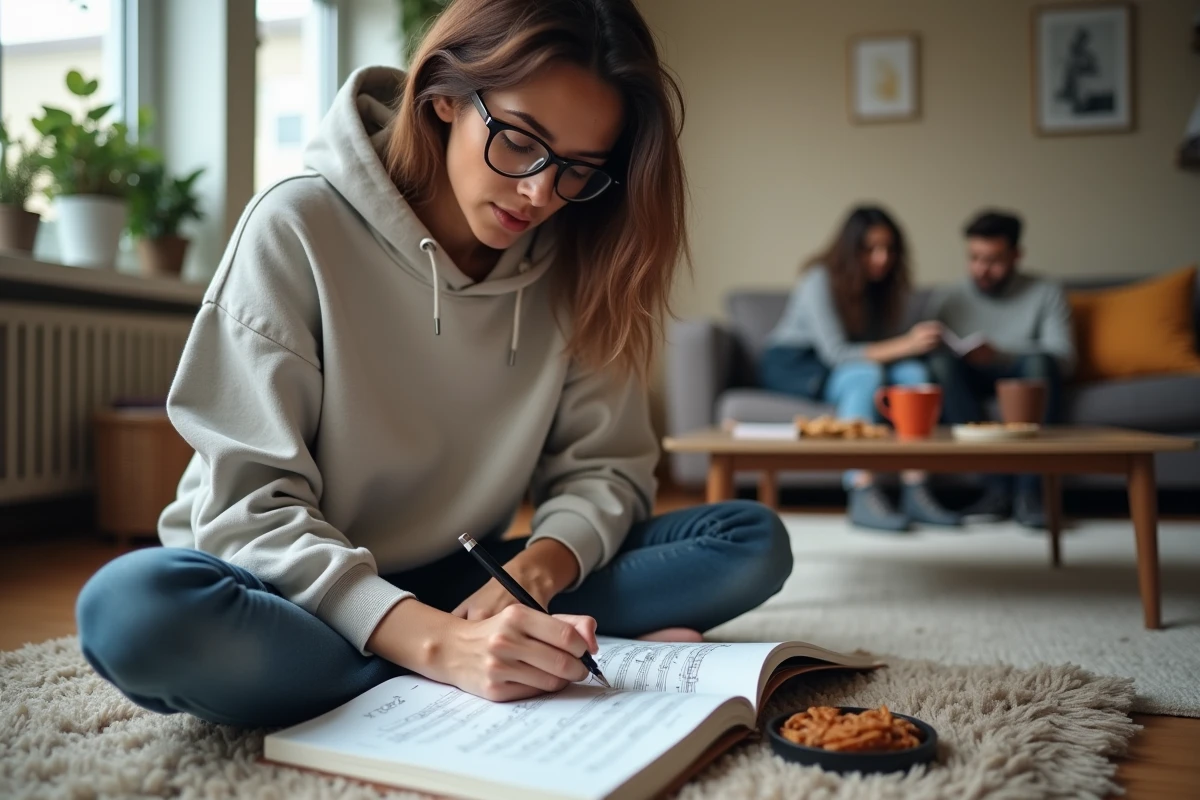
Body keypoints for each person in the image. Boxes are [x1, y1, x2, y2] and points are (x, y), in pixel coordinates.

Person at [75, 0, 793, 730]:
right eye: (520, 141)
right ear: (444, 95)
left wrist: (530, 577)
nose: (541, 193)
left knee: (749, 543)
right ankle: (452, 662)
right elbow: (250, 510)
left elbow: (604, 469)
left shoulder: (579, 267)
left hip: (464, 578)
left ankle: (442, 663)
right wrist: (438, 643)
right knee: (131, 611)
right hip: (295, 587)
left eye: (579, 169)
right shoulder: (296, 227)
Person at [759, 206, 961, 533]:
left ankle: (916, 486)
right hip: (796, 362)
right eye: (870, 249)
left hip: (845, 363)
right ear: (850, 250)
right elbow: (837, 353)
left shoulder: (882, 287)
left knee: (913, 375)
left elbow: (877, 348)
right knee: (866, 376)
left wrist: (913, 349)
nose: (882, 258)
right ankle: (862, 488)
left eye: (889, 249)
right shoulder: (819, 279)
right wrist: (908, 343)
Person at [925, 210, 1076, 527]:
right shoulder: (948, 297)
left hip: (1021, 376)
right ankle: (995, 490)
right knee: (938, 364)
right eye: (975, 258)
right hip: (968, 378)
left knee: (1040, 362)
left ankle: (1029, 495)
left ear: (1017, 255)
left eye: (993, 260)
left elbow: (1064, 357)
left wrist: (1002, 354)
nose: (982, 269)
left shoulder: (1045, 291)